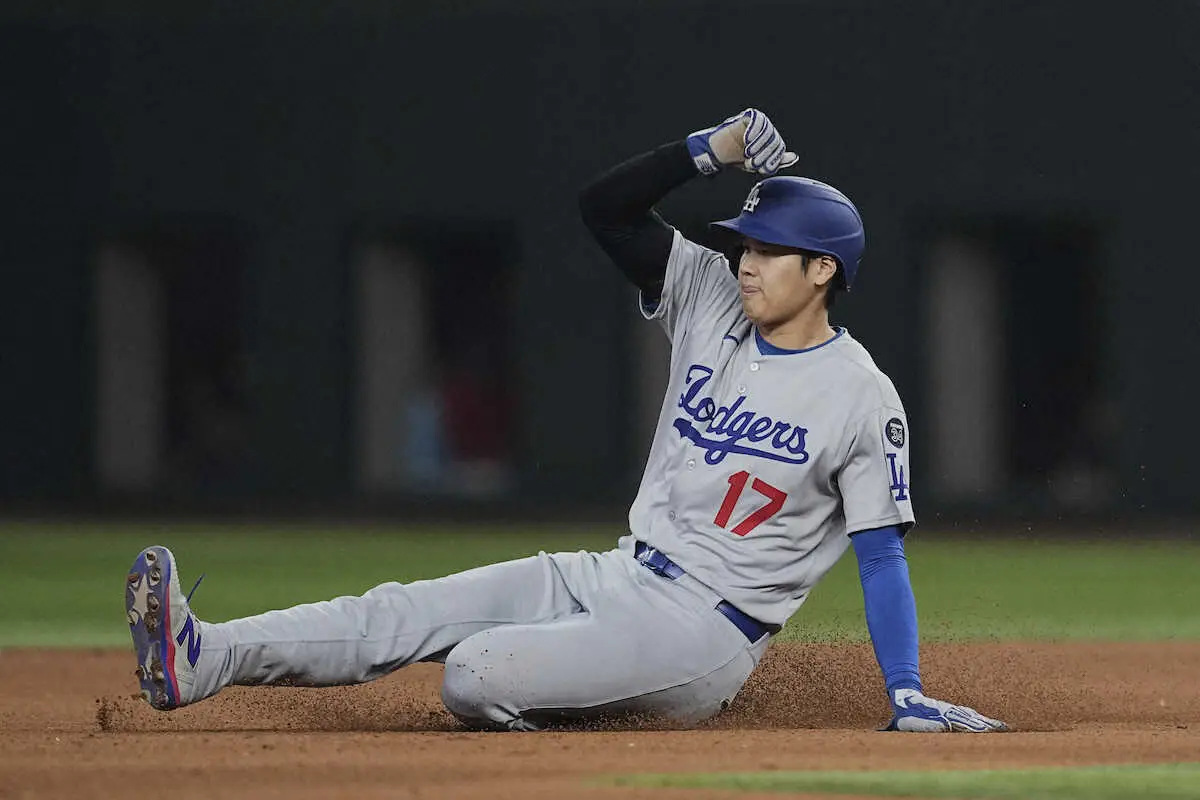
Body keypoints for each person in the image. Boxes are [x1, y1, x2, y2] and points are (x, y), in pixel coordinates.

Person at [125, 108, 1006, 733]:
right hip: (615, 572)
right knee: (408, 609)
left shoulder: (860, 393)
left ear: (823, 272)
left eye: (769, 251)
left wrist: (906, 692)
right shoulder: (708, 293)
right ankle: (204, 659)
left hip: (704, 630)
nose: (745, 260)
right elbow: (604, 209)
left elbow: (882, 554)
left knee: (474, 676)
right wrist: (709, 150)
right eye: (743, 242)